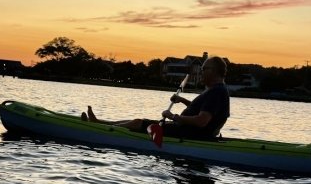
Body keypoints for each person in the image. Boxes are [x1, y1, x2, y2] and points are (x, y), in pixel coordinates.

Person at [83, 55, 230, 140]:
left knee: (138, 123)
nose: (202, 71)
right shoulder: (216, 91)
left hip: (190, 134)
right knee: (137, 121)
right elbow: (200, 111)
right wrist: (182, 100)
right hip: (187, 130)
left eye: (205, 69)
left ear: (216, 71)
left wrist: (174, 117)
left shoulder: (216, 92)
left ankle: (101, 128)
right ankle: (99, 122)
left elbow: (202, 121)